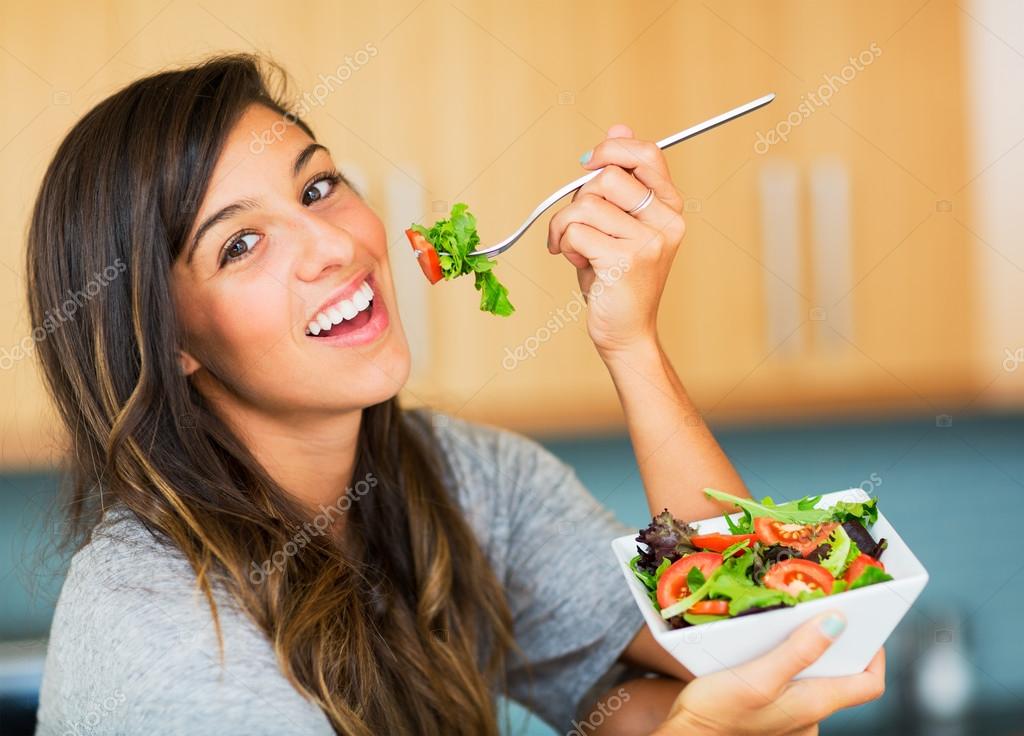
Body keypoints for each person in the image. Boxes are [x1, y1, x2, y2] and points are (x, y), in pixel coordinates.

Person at [28, 53, 883, 735]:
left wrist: (631, 343)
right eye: (241, 243)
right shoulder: (162, 636)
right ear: (168, 342)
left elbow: (780, 634)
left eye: (318, 187)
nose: (331, 244)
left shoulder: (473, 483)